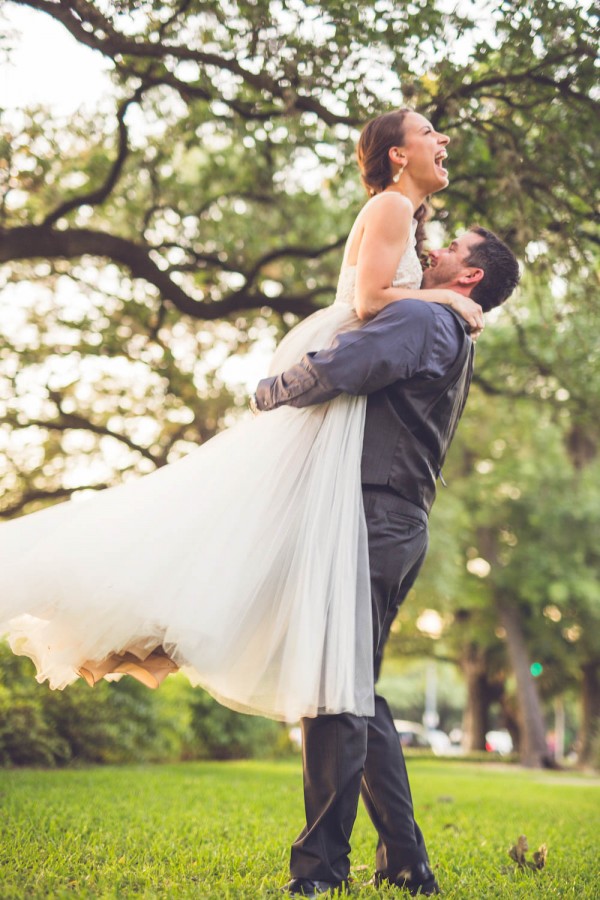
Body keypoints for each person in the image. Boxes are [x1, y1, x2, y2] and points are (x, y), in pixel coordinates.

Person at [0, 109, 480, 719]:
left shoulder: (402, 215)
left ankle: (172, 618)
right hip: (333, 367)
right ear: (396, 155)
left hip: (343, 389)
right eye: (428, 131)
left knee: (256, 529)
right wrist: (443, 295)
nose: (442, 140)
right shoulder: (388, 206)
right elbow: (369, 300)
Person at [253, 224, 520, 898]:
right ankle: (406, 863)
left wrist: (267, 391)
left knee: (336, 692)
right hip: (387, 518)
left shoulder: (428, 323)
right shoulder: (442, 321)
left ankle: (320, 872)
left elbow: (344, 365)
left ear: (471, 278)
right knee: (352, 690)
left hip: (375, 518)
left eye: (453, 246)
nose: (435, 249)